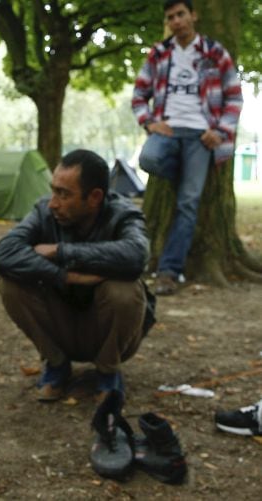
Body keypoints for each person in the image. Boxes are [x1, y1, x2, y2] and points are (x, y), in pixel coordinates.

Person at [0, 149, 154, 402]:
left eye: (64, 194)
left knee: (124, 290)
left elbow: (136, 255)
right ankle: (56, 365)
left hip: (110, 331)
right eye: (54, 190)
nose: (53, 202)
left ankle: (108, 372)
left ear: (95, 197)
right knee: (11, 283)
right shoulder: (45, 212)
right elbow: (3, 254)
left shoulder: (123, 214)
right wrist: (64, 276)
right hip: (62, 323)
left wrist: (60, 251)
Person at [132, 0, 243, 296]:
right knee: (148, 159)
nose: (176, 21)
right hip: (167, 131)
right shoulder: (158, 54)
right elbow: (139, 95)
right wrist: (150, 123)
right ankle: (186, 175)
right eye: (171, 17)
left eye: (181, 14)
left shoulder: (215, 53)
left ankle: (169, 271)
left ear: (193, 15)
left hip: (200, 136)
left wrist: (219, 132)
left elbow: (233, 97)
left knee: (187, 205)